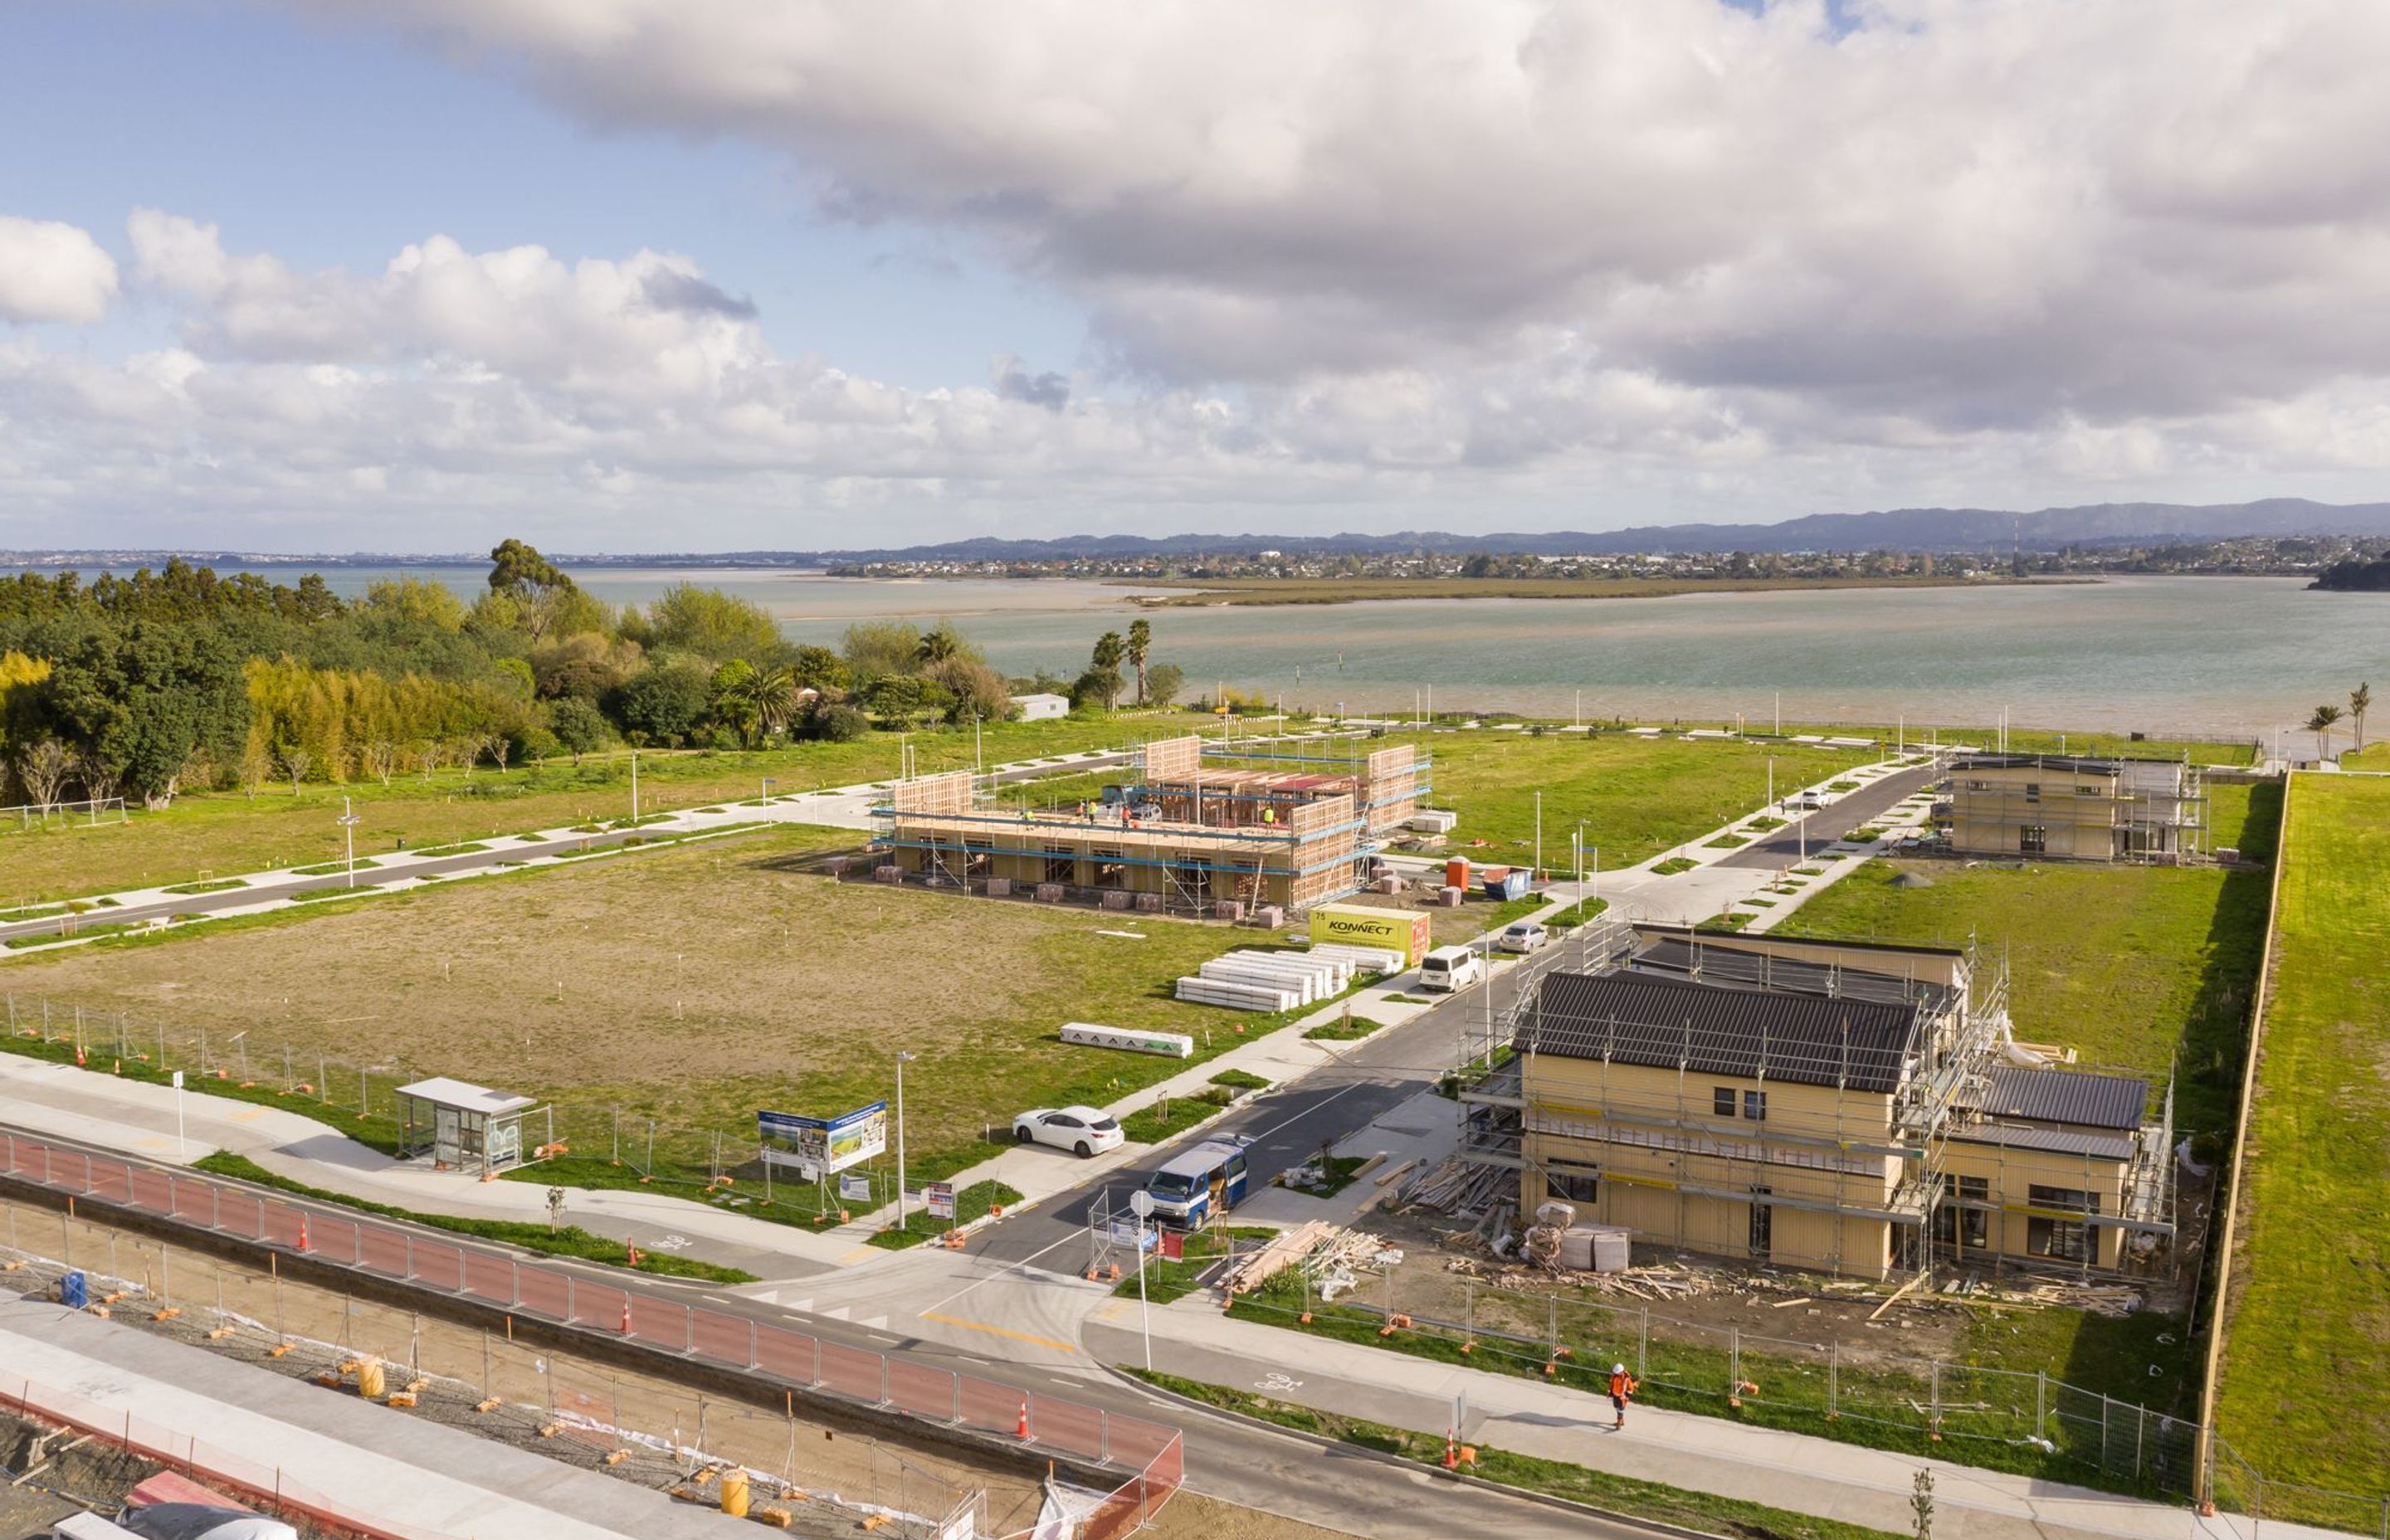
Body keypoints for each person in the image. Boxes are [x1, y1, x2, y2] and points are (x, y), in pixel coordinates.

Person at [1607, 1362, 1638, 1430]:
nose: (1616, 1373)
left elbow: (1630, 1389)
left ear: (1621, 1372)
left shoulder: (1626, 1379)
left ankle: (1619, 1423)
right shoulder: (1615, 1376)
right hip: (1615, 1395)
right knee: (1616, 1407)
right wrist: (1610, 1391)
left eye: (1617, 1372)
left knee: (1620, 1410)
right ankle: (1621, 1421)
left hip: (1622, 1398)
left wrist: (1626, 1396)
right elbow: (1612, 1384)